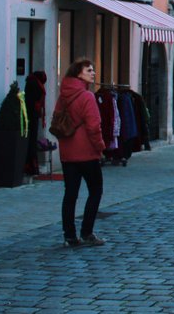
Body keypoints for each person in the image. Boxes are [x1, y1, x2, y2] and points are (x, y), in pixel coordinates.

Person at [56, 58, 106, 247]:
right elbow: (94, 126)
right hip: (86, 151)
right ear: (78, 73)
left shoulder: (63, 95)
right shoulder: (87, 96)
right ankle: (87, 232)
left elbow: (57, 120)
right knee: (95, 190)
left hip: (67, 151)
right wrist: (100, 146)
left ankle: (69, 235)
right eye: (89, 70)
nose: (93, 73)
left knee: (70, 194)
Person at [24, 70, 47, 176]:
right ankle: (31, 166)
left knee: (32, 140)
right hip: (32, 115)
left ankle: (32, 165)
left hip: (33, 114)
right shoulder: (35, 84)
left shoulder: (33, 82)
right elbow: (33, 99)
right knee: (32, 140)